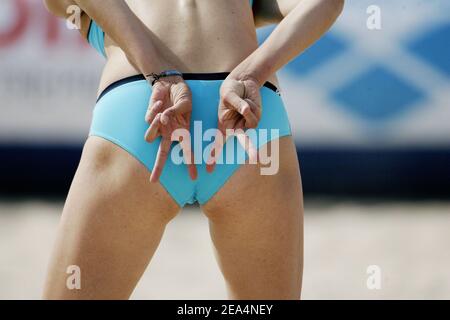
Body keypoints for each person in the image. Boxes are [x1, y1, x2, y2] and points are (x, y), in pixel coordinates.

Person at [42, 0, 344, 299]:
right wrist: (251, 73)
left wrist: (159, 71)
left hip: (146, 110)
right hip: (246, 116)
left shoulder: (79, 12)